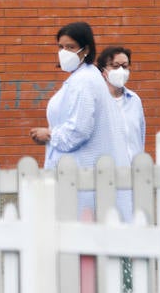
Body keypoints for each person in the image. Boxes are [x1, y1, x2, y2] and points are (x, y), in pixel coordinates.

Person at [29, 21, 131, 219]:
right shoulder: (82, 78)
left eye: (71, 47)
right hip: (81, 175)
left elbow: (80, 129)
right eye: (61, 47)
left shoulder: (84, 81)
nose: (64, 52)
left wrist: (49, 135)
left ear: (86, 50)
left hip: (83, 175)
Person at [97, 46, 146, 162]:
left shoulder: (134, 100)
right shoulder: (97, 101)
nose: (120, 71)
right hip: (107, 172)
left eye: (124, 66)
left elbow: (140, 136)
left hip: (135, 171)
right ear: (103, 71)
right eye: (115, 66)